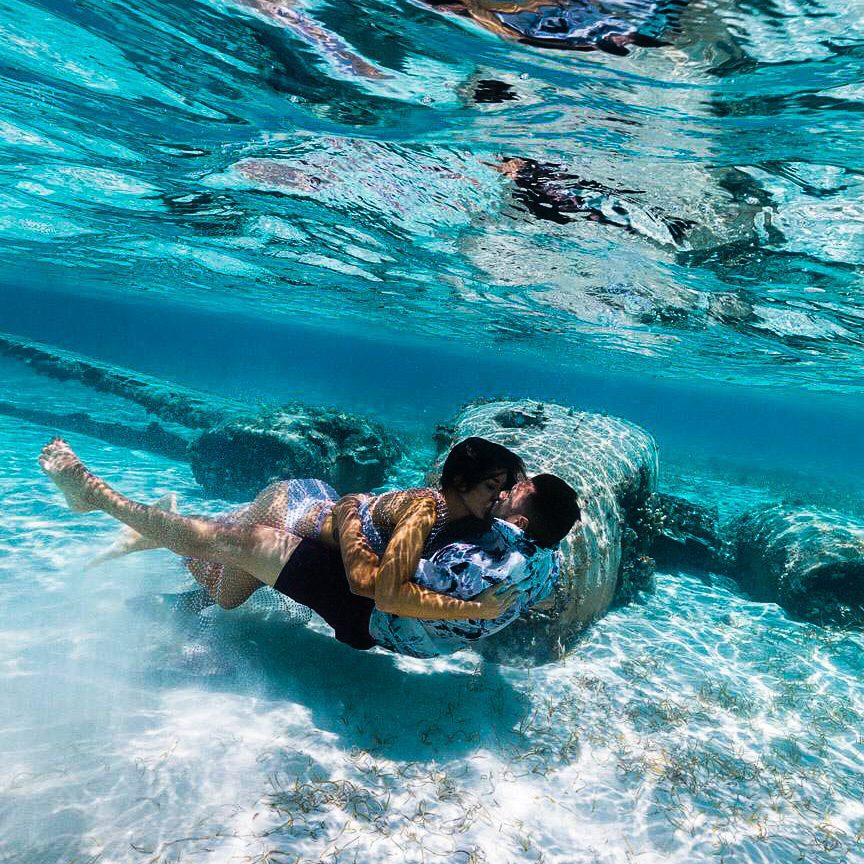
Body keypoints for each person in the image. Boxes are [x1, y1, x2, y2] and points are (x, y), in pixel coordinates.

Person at [39, 437, 580, 654]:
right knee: (231, 547)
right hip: (303, 509)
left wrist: (474, 608)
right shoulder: (432, 511)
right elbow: (379, 588)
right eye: (497, 486)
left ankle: (162, 530)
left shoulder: (494, 540)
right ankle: (101, 499)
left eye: (511, 490)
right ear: (462, 485)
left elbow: (385, 591)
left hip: (347, 566)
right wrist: (347, 516)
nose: (504, 494)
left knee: (228, 584)